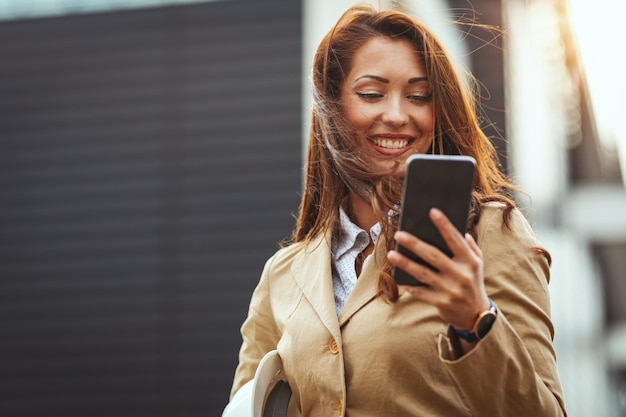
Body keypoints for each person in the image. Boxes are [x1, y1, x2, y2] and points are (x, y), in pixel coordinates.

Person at [225, 3, 567, 416]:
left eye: (419, 96)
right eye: (371, 94)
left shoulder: (489, 232)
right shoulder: (282, 275)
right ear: (332, 108)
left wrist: (476, 320)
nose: (396, 115)